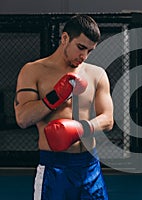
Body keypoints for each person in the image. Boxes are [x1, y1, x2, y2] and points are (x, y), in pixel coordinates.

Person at [14, 14, 114, 200]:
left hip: (90, 166)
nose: (83, 56)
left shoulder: (96, 74)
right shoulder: (33, 71)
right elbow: (23, 118)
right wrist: (55, 97)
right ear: (65, 38)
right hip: (55, 167)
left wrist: (81, 128)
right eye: (80, 47)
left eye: (90, 51)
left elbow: (108, 119)